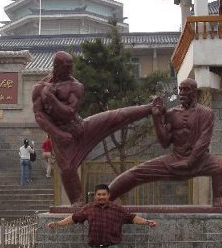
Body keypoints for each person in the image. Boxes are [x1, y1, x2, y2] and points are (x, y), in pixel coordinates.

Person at [32, 51, 157, 206]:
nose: (70, 70)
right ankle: (78, 204)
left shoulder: (75, 86)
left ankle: (150, 108)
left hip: (79, 127)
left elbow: (69, 112)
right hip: (62, 138)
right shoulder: (39, 88)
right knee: (67, 169)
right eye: (66, 66)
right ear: (56, 66)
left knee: (114, 117)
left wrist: (51, 98)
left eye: (71, 66)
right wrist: (58, 134)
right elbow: (39, 116)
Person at [108, 78, 222, 207]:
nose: (182, 93)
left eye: (186, 89)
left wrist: (190, 161)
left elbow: (204, 140)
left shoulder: (206, 113)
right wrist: (156, 119)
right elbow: (165, 142)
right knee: (135, 173)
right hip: (175, 160)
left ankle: (218, 199)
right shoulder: (172, 113)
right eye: (180, 89)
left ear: (194, 92)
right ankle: (105, 198)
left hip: (200, 160)